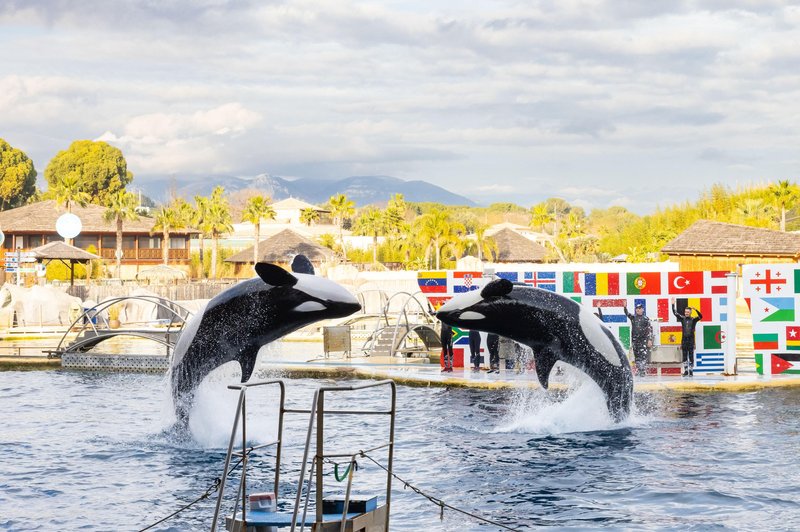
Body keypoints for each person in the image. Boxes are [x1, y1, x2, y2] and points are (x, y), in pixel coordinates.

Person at [672, 299, 702, 376]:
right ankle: (685, 370)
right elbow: (675, 313)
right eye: (685, 312)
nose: (686, 313)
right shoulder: (682, 319)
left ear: (690, 312)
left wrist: (696, 309)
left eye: (688, 312)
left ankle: (691, 370)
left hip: (691, 340)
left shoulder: (693, 319)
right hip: (684, 340)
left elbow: (701, 316)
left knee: (691, 356)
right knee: (684, 356)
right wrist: (672, 305)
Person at [624, 303, 654, 376]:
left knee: (643, 355)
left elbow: (650, 330)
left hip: (643, 340)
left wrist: (649, 340)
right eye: (637, 308)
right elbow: (627, 313)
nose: (638, 309)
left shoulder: (646, 318)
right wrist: (625, 307)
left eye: (639, 308)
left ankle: (643, 370)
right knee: (637, 355)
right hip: (635, 340)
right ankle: (638, 369)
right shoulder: (633, 317)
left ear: (642, 310)